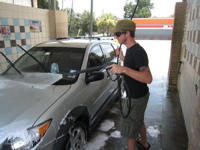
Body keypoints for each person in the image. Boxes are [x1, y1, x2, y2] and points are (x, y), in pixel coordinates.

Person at [106, 19, 153, 150]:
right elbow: (133, 65)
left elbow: (148, 78)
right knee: (138, 121)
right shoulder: (130, 51)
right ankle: (144, 143)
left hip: (137, 98)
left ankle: (140, 143)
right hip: (136, 96)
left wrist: (124, 69)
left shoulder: (138, 52)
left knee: (130, 133)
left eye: (118, 34)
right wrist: (122, 58)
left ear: (127, 33)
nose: (115, 37)